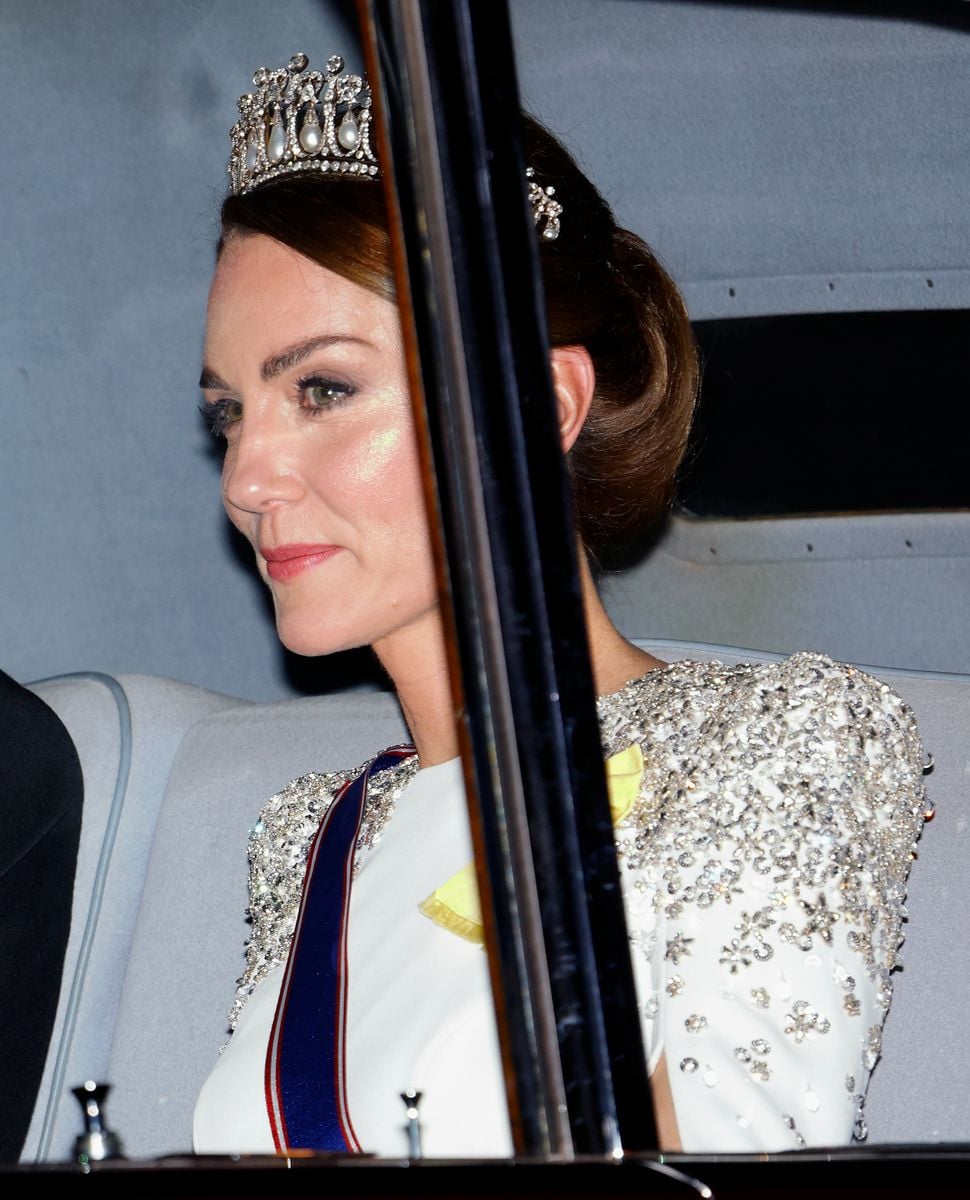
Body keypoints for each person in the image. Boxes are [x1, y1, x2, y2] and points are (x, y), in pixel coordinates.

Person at [192, 52, 928, 1157]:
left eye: (323, 390)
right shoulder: (314, 836)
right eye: (228, 416)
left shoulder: (769, 745)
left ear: (537, 405)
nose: (247, 477)